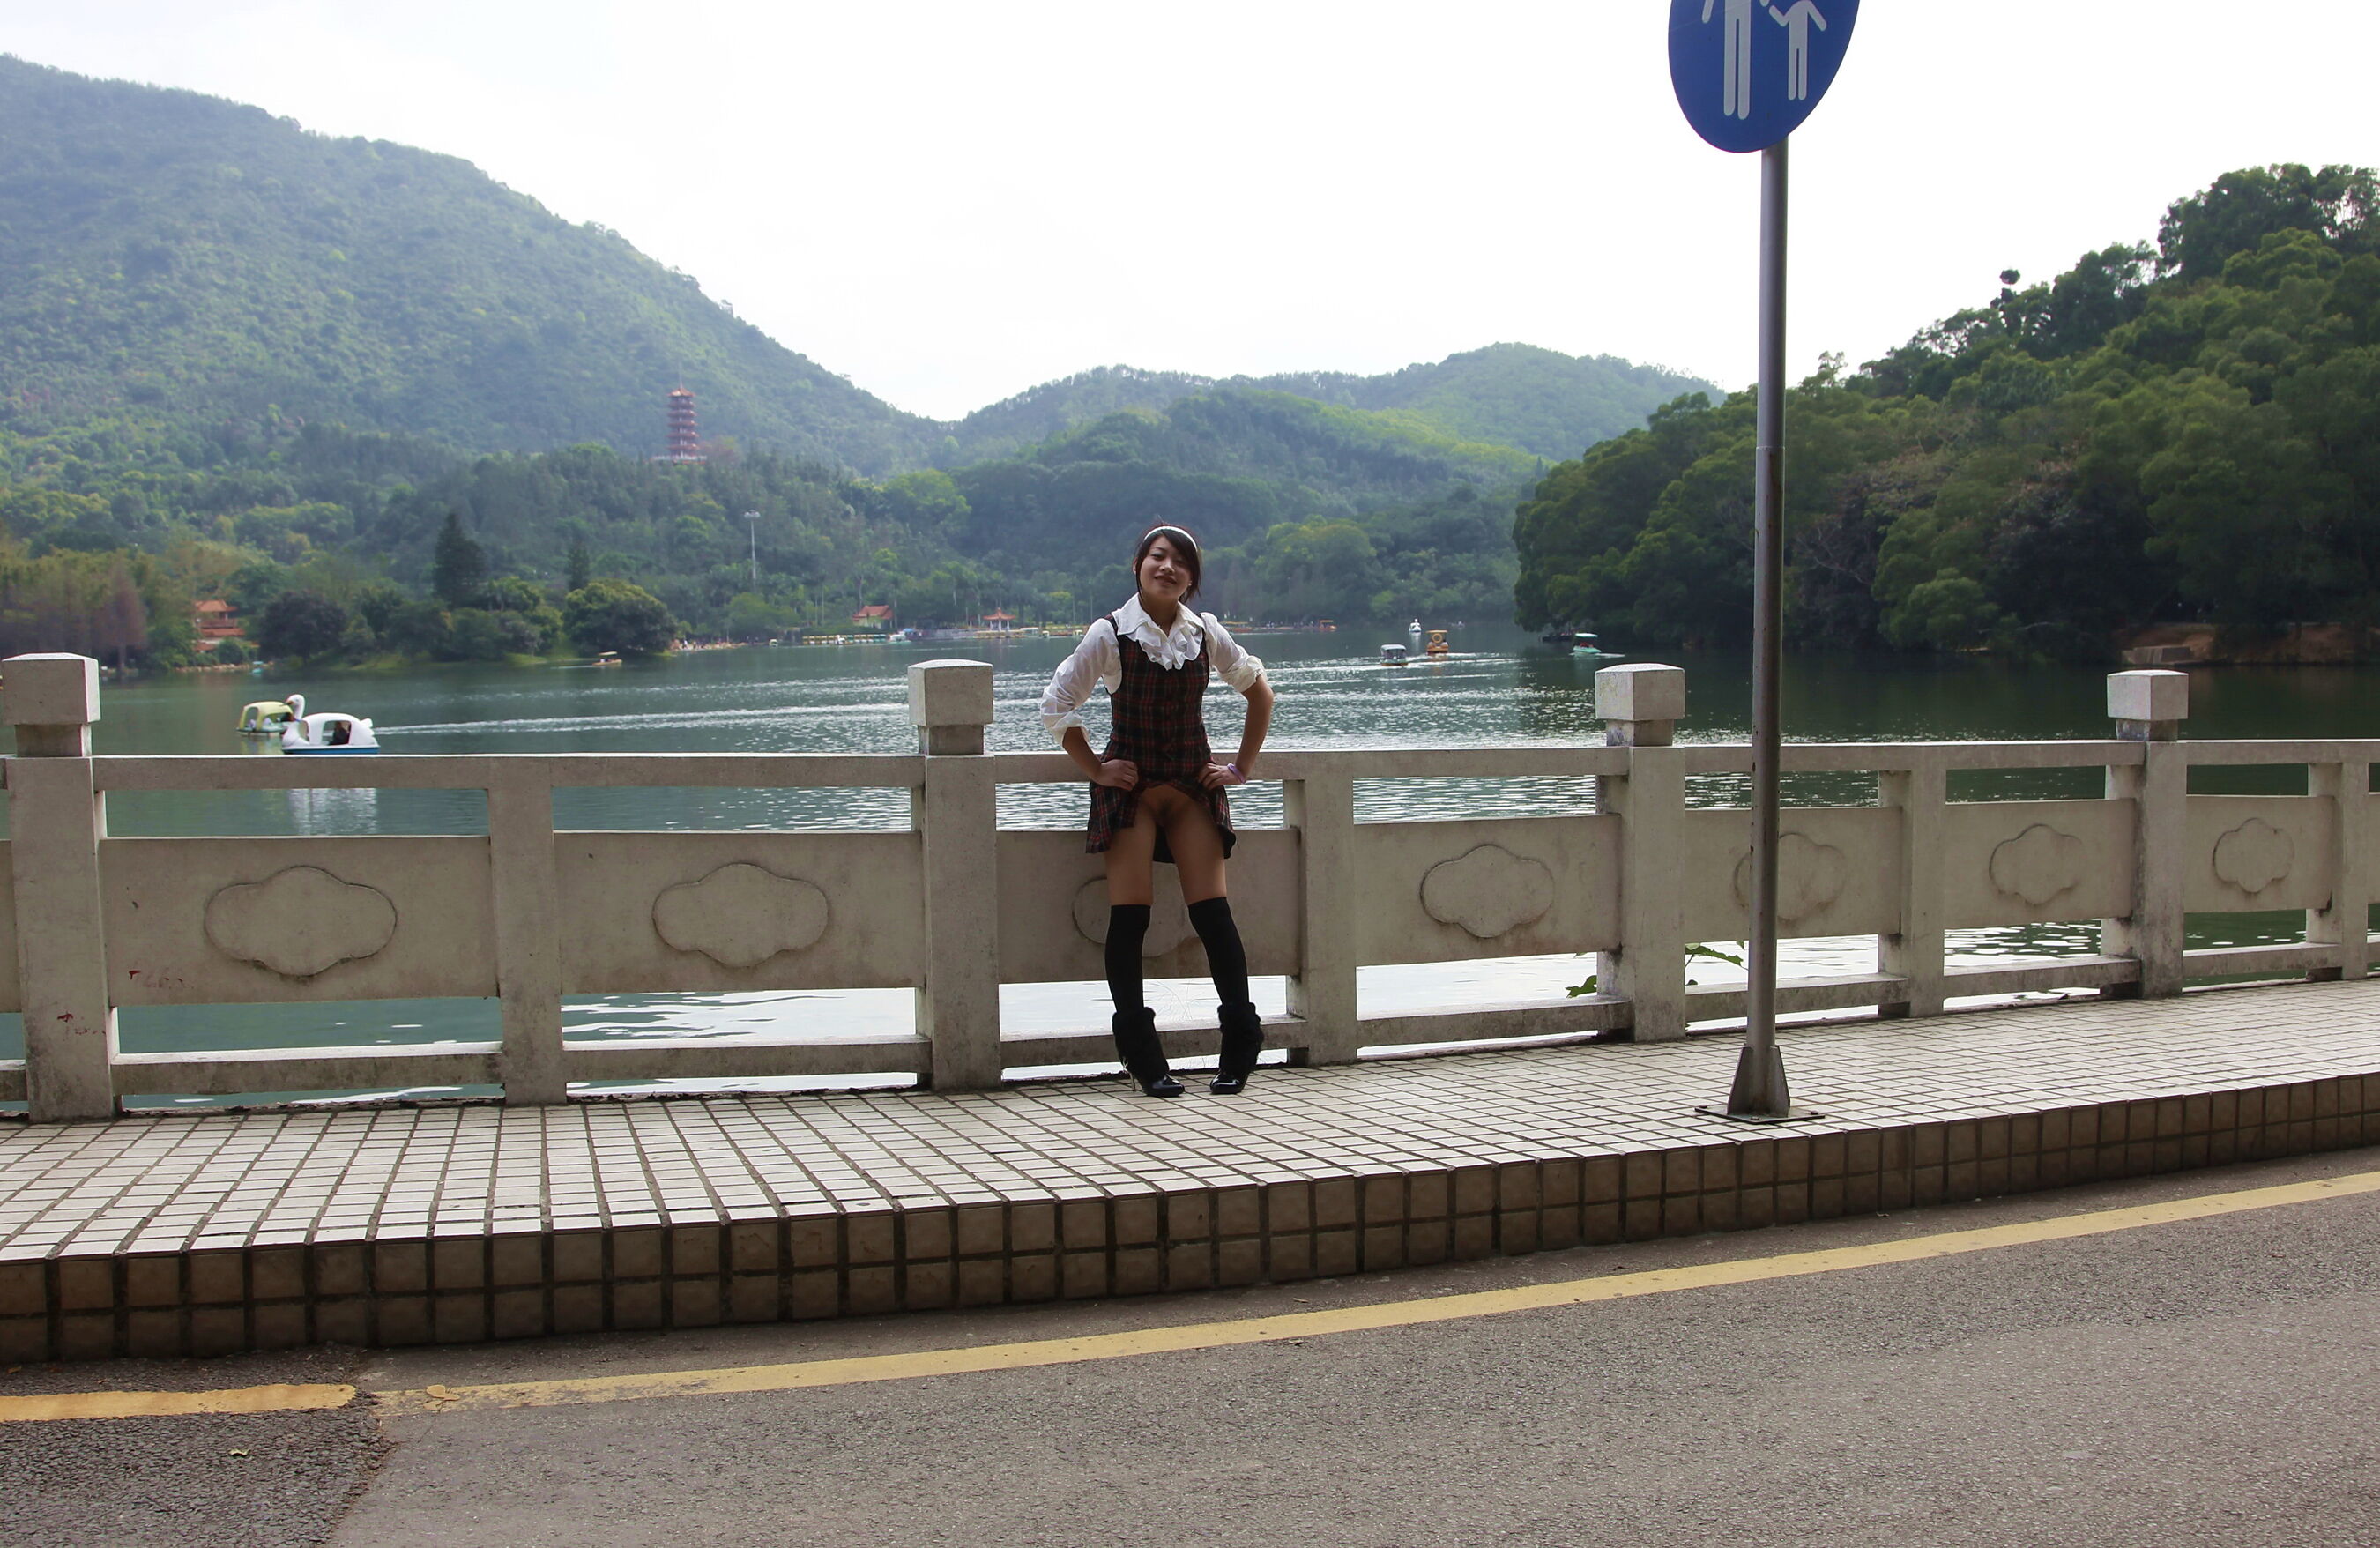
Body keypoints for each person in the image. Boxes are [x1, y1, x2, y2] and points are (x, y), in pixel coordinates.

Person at [1039, 525, 1276, 1097]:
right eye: (1157, 556)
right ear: (1138, 565)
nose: (1168, 567)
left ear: (1191, 578)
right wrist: (1097, 769)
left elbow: (1260, 692)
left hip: (1193, 787)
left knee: (1214, 916)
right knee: (1130, 919)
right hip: (1133, 792)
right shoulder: (1110, 633)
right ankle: (1142, 1055)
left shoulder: (1205, 632)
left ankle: (1240, 1045)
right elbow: (1056, 706)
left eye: (1180, 562)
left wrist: (1240, 768)